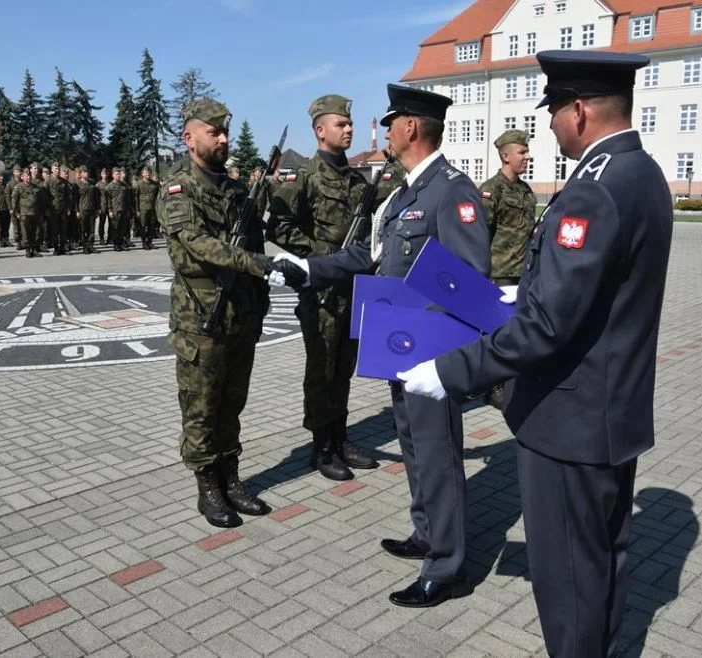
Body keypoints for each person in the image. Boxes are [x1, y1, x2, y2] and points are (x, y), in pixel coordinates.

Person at [397, 51, 672, 655]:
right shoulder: (642, 173)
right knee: (601, 566)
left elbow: (547, 327)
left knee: (569, 580)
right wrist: (525, 289)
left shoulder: (592, 191)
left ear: (578, 111)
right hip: (611, 412)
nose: (547, 127)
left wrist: (447, 371)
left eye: (552, 113)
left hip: (568, 423)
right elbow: (600, 288)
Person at [268, 84, 490, 608]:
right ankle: (428, 534)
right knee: (415, 447)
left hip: (428, 352)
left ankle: (449, 566)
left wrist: (440, 353)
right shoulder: (406, 193)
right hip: (400, 343)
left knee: (437, 453)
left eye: (391, 123)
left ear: (411, 127)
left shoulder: (450, 190)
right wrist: (307, 269)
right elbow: (367, 256)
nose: (385, 131)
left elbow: (469, 281)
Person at [157, 98, 281, 529]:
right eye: (214, 132)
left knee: (233, 404)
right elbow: (197, 245)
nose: (224, 139)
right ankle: (207, 486)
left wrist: (260, 292)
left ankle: (231, 478)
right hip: (201, 319)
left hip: (239, 315)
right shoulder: (178, 190)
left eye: (226, 131)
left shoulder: (235, 190)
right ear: (190, 138)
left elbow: (254, 239)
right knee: (201, 408)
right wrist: (254, 264)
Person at [266, 94, 379, 481]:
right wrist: (318, 259)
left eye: (349, 124)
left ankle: (341, 436)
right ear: (320, 130)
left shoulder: (356, 179)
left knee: (344, 367)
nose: (348, 129)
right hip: (322, 294)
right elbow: (277, 226)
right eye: (341, 125)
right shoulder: (305, 176)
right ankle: (322, 446)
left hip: (354, 289)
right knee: (322, 369)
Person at [480, 129, 537, 409]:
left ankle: (510, 381)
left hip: (521, 273)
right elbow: (481, 234)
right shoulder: (492, 190)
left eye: (526, 152)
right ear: (505, 156)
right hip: (498, 273)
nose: (527, 156)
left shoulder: (526, 191)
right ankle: (493, 386)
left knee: (515, 331)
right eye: (522, 152)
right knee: (496, 333)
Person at [75, 167, 99, 254]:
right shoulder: (77, 184)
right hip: (83, 210)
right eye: (84, 172)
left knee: (92, 230)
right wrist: (77, 211)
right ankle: (85, 247)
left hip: (92, 209)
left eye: (87, 172)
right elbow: (75, 199)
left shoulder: (92, 183)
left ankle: (91, 246)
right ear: (81, 173)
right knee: (83, 230)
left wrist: (97, 209)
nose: (86, 173)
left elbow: (96, 198)